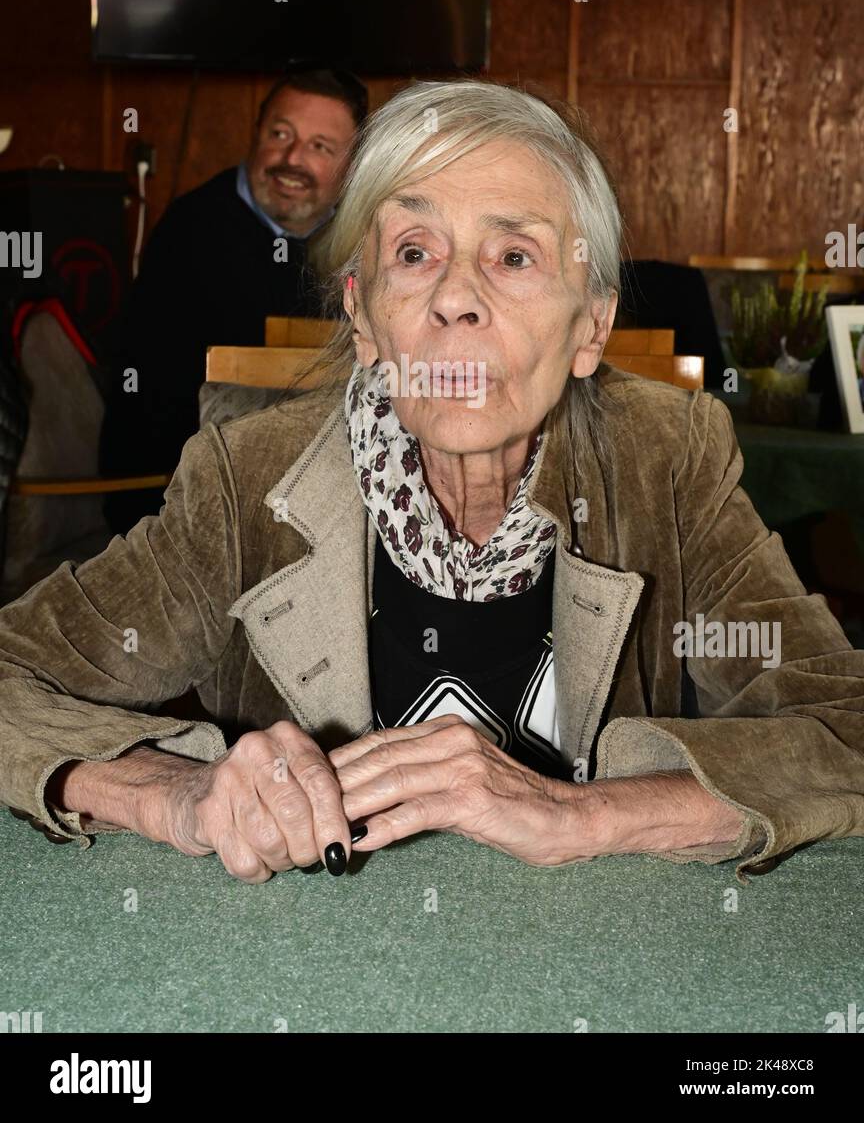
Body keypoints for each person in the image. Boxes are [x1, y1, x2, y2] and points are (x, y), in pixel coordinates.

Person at [2, 79, 863, 886]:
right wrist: (173, 791)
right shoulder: (246, 483)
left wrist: (586, 814)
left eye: (514, 256)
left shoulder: (666, 462)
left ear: (590, 327)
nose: (457, 298)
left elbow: (845, 729)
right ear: (365, 314)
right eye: (415, 252)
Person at [98, 65, 367, 533]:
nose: (292, 158)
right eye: (280, 133)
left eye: (320, 147)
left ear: (352, 165)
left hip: (317, 499)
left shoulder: (366, 242)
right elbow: (148, 402)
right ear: (257, 132)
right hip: (178, 498)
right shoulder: (192, 228)